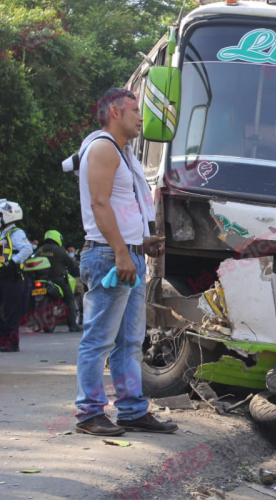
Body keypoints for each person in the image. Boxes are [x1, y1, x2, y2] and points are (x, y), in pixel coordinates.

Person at [75, 88, 174, 436]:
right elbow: (100, 205)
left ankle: (132, 410)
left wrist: (138, 243)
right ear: (115, 112)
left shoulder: (122, 152)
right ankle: (89, 413)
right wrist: (120, 251)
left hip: (125, 252)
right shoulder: (103, 147)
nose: (140, 118)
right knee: (99, 339)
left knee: (130, 342)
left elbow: (118, 207)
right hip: (107, 255)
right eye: (135, 110)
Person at [0, 200, 33, 352]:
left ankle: (12, 343)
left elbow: (27, 249)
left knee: (11, 312)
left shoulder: (16, 233)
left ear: (6, 216)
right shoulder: (3, 233)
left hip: (12, 278)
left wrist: (13, 262)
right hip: (3, 276)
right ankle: (4, 339)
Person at [34, 230, 81, 332]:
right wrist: (76, 264)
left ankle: (37, 324)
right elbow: (70, 263)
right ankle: (72, 324)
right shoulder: (59, 250)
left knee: (34, 299)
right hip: (58, 279)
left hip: (41, 279)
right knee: (69, 298)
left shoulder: (40, 249)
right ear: (57, 238)